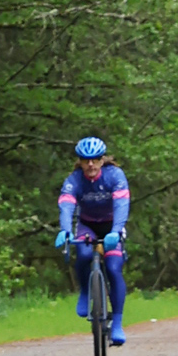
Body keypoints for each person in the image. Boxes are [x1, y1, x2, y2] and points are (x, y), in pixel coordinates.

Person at [57, 136, 131, 344]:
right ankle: (85, 291)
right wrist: (65, 231)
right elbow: (66, 206)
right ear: (79, 161)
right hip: (87, 224)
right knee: (83, 253)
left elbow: (121, 205)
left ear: (102, 160)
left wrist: (115, 231)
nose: (90, 164)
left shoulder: (115, 175)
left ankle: (117, 323)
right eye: (85, 160)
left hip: (111, 225)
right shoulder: (74, 180)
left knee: (114, 267)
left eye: (95, 159)